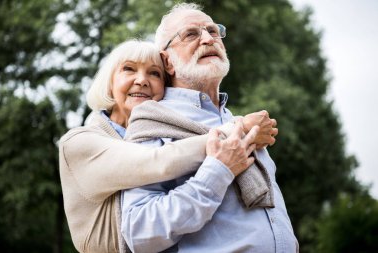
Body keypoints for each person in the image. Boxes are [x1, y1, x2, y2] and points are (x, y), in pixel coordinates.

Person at [59, 39, 272, 253]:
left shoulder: (166, 134)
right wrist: (237, 130)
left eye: (155, 73)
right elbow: (156, 161)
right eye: (129, 69)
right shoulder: (79, 143)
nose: (142, 80)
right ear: (109, 83)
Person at [120, 3, 299, 253]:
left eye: (213, 31)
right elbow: (139, 232)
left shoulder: (240, 123)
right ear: (167, 61)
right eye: (191, 34)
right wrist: (218, 170)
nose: (207, 39)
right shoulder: (153, 122)